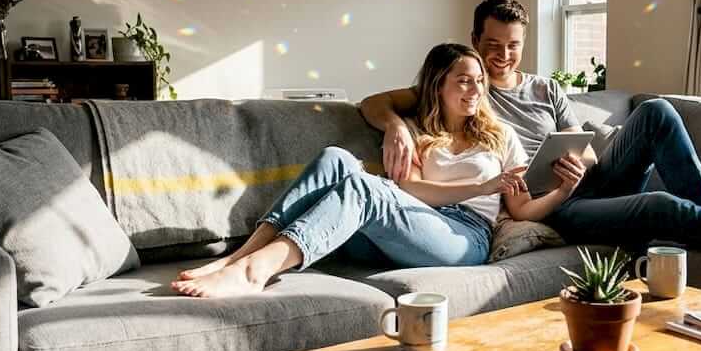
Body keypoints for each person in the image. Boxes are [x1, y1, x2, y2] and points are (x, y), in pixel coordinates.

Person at [360, 0, 701, 259]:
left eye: (512, 46)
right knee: (660, 206)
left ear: (524, 43)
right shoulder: (465, 88)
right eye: (492, 45)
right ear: (476, 40)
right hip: (555, 206)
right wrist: (395, 127)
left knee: (656, 111)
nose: (501, 56)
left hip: (586, 181)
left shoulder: (546, 88)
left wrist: (580, 161)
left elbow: (590, 149)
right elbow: (372, 102)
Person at [173, 43, 579, 298]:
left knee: (365, 188)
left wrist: (562, 191)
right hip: (412, 220)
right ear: (438, 86)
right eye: (463, 81)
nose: (475, 91)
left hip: (465, 238)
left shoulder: (500, 135)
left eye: (479, 82)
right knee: (335, 158)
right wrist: (479, 182)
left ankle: (254, 271)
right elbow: (413, 191)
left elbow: (521, 209)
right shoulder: (418, 131)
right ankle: (239, 257)